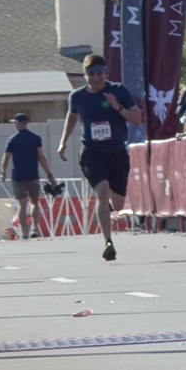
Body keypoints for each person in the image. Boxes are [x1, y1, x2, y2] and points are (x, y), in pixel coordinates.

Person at [57, 54, 143, 261]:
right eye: (91, 74)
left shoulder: (118, 91)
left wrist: (117, 107)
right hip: (92, 152)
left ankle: (107, 207)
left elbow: (137, 119)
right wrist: (63, 142)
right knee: (102, 191)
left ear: (105, 73)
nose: (96, 78)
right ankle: (108, 241)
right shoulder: (77, 96)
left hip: (116, 151)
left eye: (99, 73)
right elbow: (72, 115)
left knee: (118, 205)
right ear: (84, 75)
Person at [0, 110, 56, 239]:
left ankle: (24, 232)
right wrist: (49, 174)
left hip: (18, 176)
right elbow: (41, 157)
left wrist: (3, 172)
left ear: (19, 123)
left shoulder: (12, 140)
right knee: (34, 202)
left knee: (22, 204)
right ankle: (34, 229)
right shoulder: (35, 138)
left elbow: (5, 158)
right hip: (32, 174)